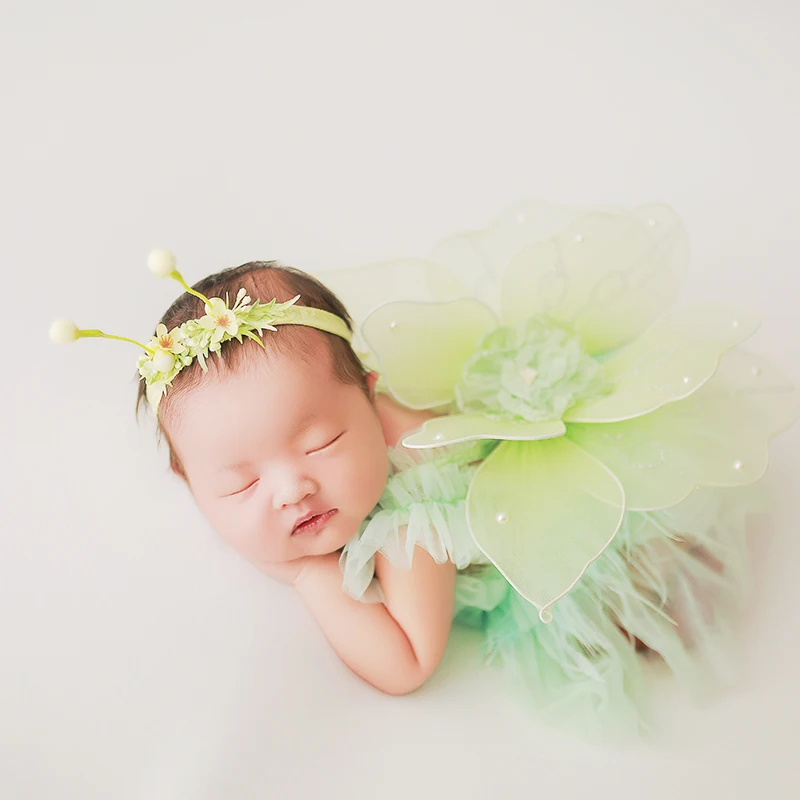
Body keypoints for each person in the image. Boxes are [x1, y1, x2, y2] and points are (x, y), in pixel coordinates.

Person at [50, 202, 799, 737]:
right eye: (238, 483)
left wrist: (312, 577)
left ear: (372, 401)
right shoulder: (340, 416)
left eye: (319, 444)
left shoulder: (417, 521)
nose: (291, 489)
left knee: (654, 596)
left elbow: (408, 663)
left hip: (560, 528)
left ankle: (658, 576)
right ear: (190, 485)